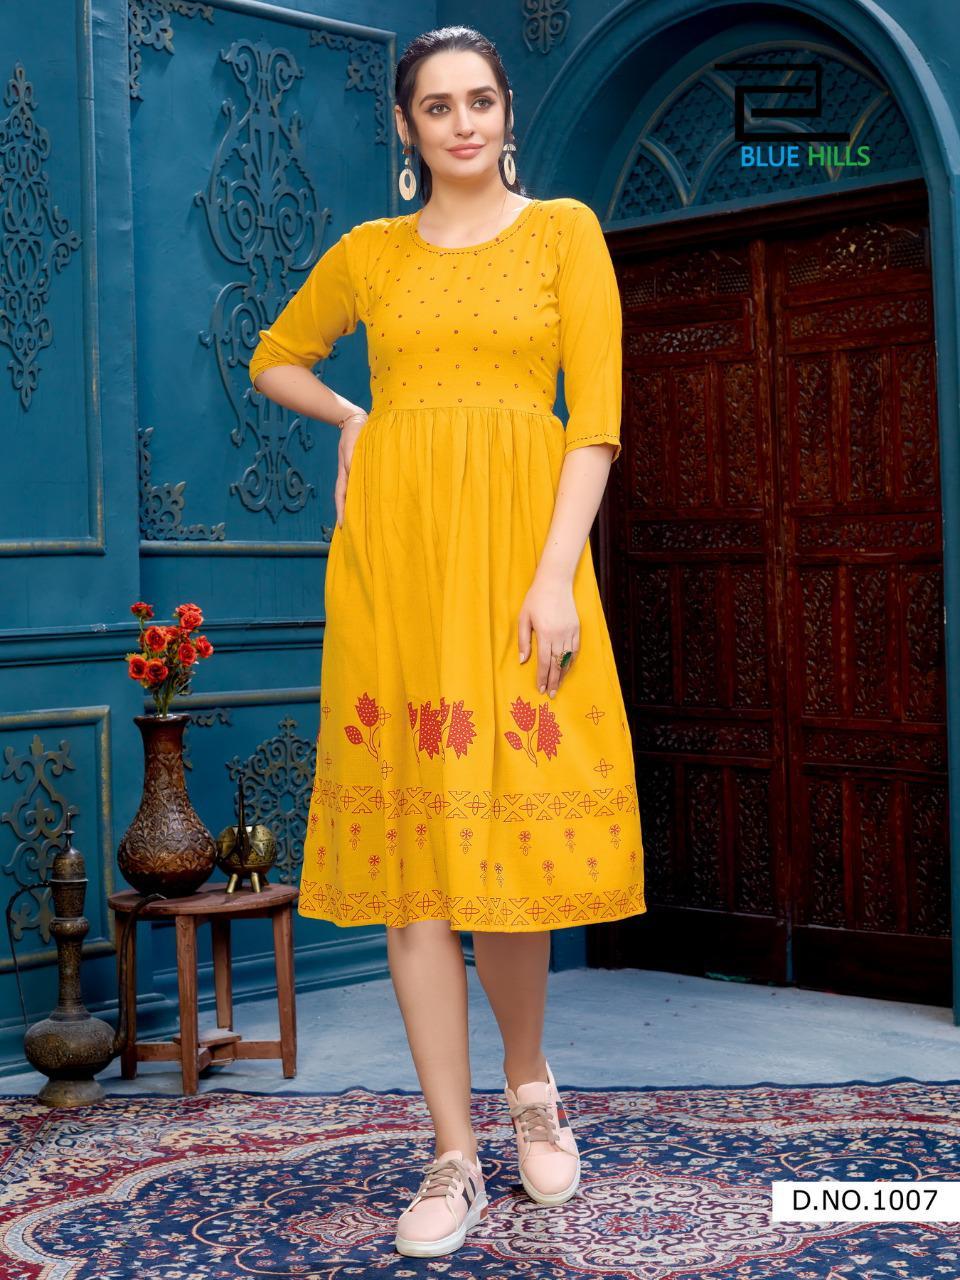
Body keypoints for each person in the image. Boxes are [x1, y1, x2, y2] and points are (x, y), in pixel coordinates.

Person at [248, 24, 646, 1260]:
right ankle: (452, 1152)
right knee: (419, 856)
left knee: (507, 841)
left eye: (480, 100)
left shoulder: (564, 232)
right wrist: (357, 415)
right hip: (398, 571)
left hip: (520, 567)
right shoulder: (370, 254)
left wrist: (556, 577)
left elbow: (595, 419)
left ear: (506, 113)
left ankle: (530, 1085)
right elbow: (275, 358)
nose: (463, 123)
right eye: (438, 106)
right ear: (407, 127)